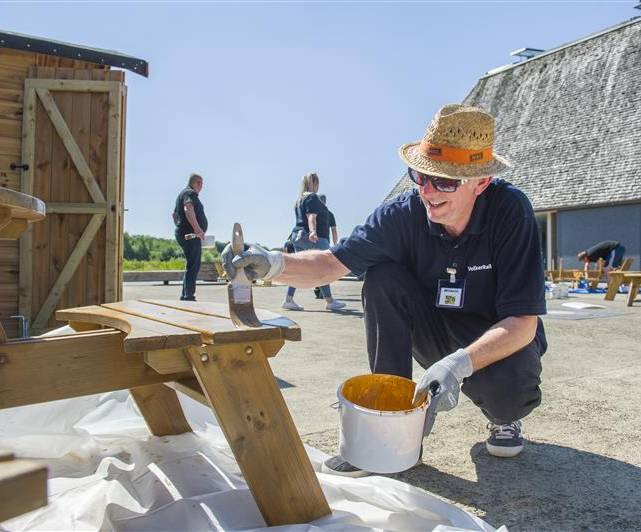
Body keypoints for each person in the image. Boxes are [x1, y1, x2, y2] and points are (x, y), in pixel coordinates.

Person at [223, 104, 548, 476]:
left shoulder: (510, 212)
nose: (428, 191)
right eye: (421, 176)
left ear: (481, 182)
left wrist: (458, 365)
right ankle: (391, 430)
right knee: (381, 278)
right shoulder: (401, 214)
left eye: (445, 182)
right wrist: (273, 264)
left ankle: (504, 419)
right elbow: (331, 263)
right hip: (436, 329)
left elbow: (524, 322)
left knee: (509, 393)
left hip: (497, 338)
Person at [282, 173, 346, 311]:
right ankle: (330, 301)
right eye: (318, 183)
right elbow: (311, 217)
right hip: (314, 236)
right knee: (323, 267)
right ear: (315, 182)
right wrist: (313, 232)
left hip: (298, 235)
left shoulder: (299, 199)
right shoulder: (312, 197)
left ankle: (288, 300)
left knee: (299, 269)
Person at [173, 173, 207, 301]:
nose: (201, 186)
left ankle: (185, 295)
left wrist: (179, 227)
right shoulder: (190, 193)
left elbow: (175, 215)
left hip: (185, 233)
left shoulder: (181, 194)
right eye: (200, 182)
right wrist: (197, 229)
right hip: (191, 234)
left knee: (191, 264)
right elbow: (188, 209)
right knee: (193, 265)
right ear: (195, 183)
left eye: (202, 183)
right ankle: (189, 296)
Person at [315, 194, 337, 299]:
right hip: (324, 241)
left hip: (313, 241)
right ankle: (322, 292)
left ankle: (318, 289)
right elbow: (334, 230)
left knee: (316, 266)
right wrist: (336, 244)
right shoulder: (329, 214)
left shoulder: (314, 212)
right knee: (324, 267)